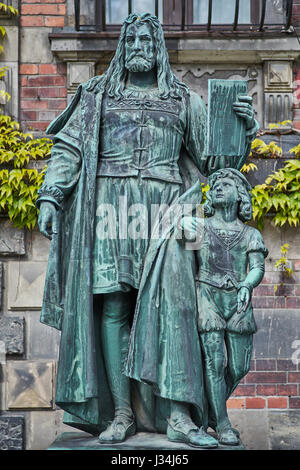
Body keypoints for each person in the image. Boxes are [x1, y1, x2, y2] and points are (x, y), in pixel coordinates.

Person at [37, 13, 259, 446]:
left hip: (173, 211)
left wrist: (243, 131)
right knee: (116, 306)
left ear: (159, 48)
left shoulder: (183, 99)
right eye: (132, 37)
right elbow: (68, 148)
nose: (139, 44)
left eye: (147, 38)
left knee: (180, 308)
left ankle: (179, 415)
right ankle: (120, 414)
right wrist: (50, 195)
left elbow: (217, 166)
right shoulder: (98, 95)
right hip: (109, 207)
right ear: (123, 46)